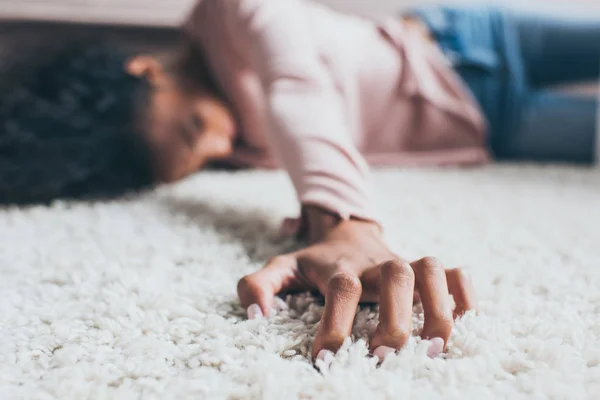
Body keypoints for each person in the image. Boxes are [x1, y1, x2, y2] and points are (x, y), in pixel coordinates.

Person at [1, 0, 598, 363]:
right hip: (484, 126)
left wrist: (348, 222)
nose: (220, 147)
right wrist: (311, 230)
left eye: (193, 129)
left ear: (147, 69)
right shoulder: (235, 145)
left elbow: (297, 94)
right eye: (205, 159)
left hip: (461, 44)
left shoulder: (227, 15)